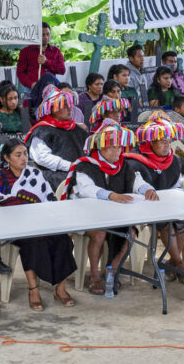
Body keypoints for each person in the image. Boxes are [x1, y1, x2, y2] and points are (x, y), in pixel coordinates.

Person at [63, 120, 157, 295]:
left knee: (131, 233)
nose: (117, 151)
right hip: (87, 215)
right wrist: (111, 195)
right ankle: (95, 276)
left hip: (115, 215)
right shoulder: (85, 165)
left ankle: (111, 271)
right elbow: (86, 189)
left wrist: (147, 189)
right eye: (111, 147)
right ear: (100, 148)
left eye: (119, 147)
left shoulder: (123, 165)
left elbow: (137, 181)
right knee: (99, 233)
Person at [0, 138, 76, 310]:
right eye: (18, 155)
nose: (24, 158)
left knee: (62, 238)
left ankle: (61, 288)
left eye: (25, 153)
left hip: (38, 222)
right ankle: (33, 289)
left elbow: (49, 199)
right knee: (33, 242)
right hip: (11, 227)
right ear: (7, 158)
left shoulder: (34, 174)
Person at [126, 113, 184, 282]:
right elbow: (136, 184)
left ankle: (173, 262)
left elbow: (177, 184)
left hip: (166, 205)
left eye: (169, 142)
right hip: (143, 208)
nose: (167, 146)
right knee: (167, 222)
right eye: (163, 142)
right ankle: (180, 264)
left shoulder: (174, 161)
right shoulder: (135, 161)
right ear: (150, 143)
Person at [25, 87, 87, 190]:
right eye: (65, 105)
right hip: (55, 178)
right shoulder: (41, 130)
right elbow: (42, 157)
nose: (70, 108)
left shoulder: (77, 129)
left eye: (70, 104)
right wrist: (70, 165)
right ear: (53, 109)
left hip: (81, 172)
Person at [16, 22, 65, 89]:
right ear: (37, 35)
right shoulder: (25, 52)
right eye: (43, 35)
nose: (46, 37)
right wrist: (31, 84)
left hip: (51, 89)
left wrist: (46, 62)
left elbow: (62, 70)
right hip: (32, 89)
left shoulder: (56, 51)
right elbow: (20, 73)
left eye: (48, 34)